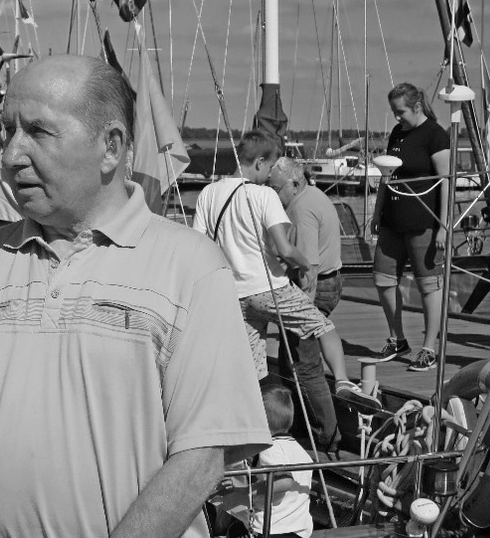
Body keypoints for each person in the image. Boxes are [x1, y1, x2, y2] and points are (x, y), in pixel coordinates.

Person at [0, 55, 272, 537]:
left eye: (37, 131)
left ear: (110, 147)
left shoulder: (192, 268)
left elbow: (202, 457)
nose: (10, 155)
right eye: (7, 131)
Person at [191, 132, 380, 412]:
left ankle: (252, 415)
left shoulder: (208, 193)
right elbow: (285, 249)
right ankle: (342, 382)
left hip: (235, 295)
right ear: (259, 162)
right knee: (322, 327)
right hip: (269, 289)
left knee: (254, 364)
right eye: (269, 168)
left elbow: (199, 245)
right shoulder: (263, 194)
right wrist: (305, 266)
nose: (269, 175)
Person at [268, 157, 349, 450]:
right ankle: (299, 426)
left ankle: (326, 436)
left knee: (305, 364)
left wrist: (303, 313)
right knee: (290, 360)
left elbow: (309, 269)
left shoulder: (302, 210)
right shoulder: (312, 195)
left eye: (277, 189)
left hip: (315, 286)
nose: (274, 195)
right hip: (329, 280)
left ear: (294, 183)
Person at [369, 82, 450, 371]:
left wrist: (444, 226)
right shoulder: (397, 132)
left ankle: (429, 349)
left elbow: (446, 182)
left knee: (428, 286)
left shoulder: (435, 134)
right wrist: (377, 213)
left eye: (400, 111)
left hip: (423, 223)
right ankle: (397, 339)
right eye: (394, 111)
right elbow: (387, 175)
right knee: (382, 280)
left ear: (416, 107)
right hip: (392, 220)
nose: (396, 117)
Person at [249, 385, 314, 538]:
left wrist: (250, 494)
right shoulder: (300, 451)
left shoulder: (270, 449)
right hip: (299, 529)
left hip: (272, 529)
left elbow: (284, 481)